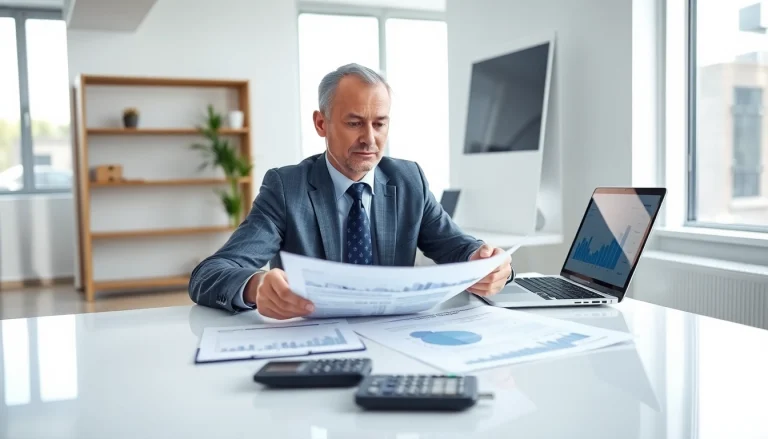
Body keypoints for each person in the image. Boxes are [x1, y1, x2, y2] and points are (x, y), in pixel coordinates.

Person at [188, 63, 513, 319]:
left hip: (397, 339)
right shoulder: (286, 188)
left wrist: (487, 262)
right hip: (315, 341)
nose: (369, 139)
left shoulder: (408, 179)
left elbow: (456, 247)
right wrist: (256, 287)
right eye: (355, 123)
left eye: (380, 123)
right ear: (321, 124)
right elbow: (209, 275)